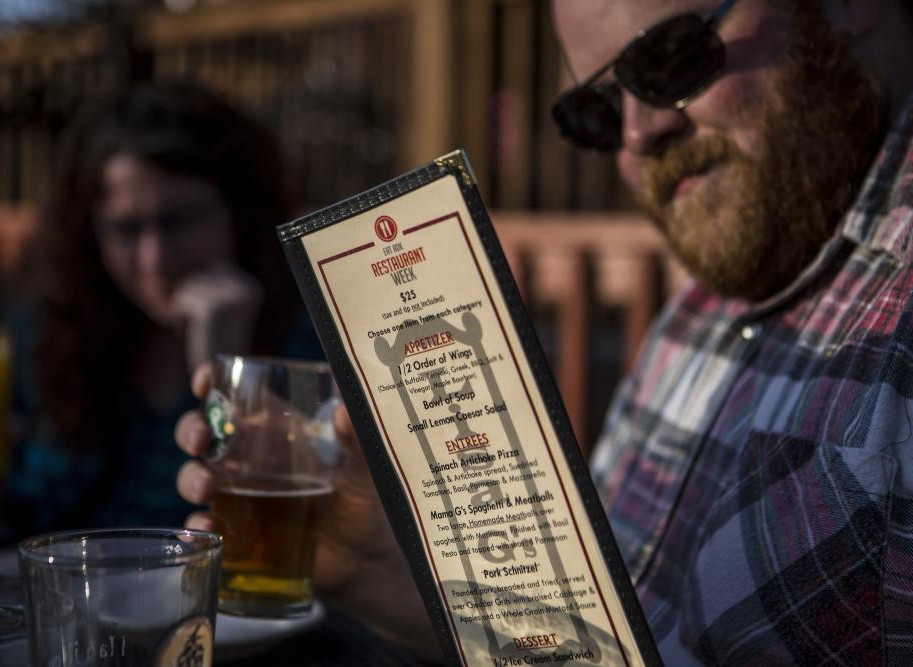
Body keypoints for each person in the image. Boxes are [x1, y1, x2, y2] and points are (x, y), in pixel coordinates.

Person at [175, 0, 913, 663]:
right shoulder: (699, 309)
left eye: (668, 59)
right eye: (596, 109)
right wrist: (420, 591)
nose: (637, 132)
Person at [0, 81, 321, 534]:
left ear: (239, 211)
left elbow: (266, 535)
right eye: (126, 229)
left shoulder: (308, 339)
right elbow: (7, 517)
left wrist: (227, 373)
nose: (156, 260)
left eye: (180, 220)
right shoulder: (51, 328)